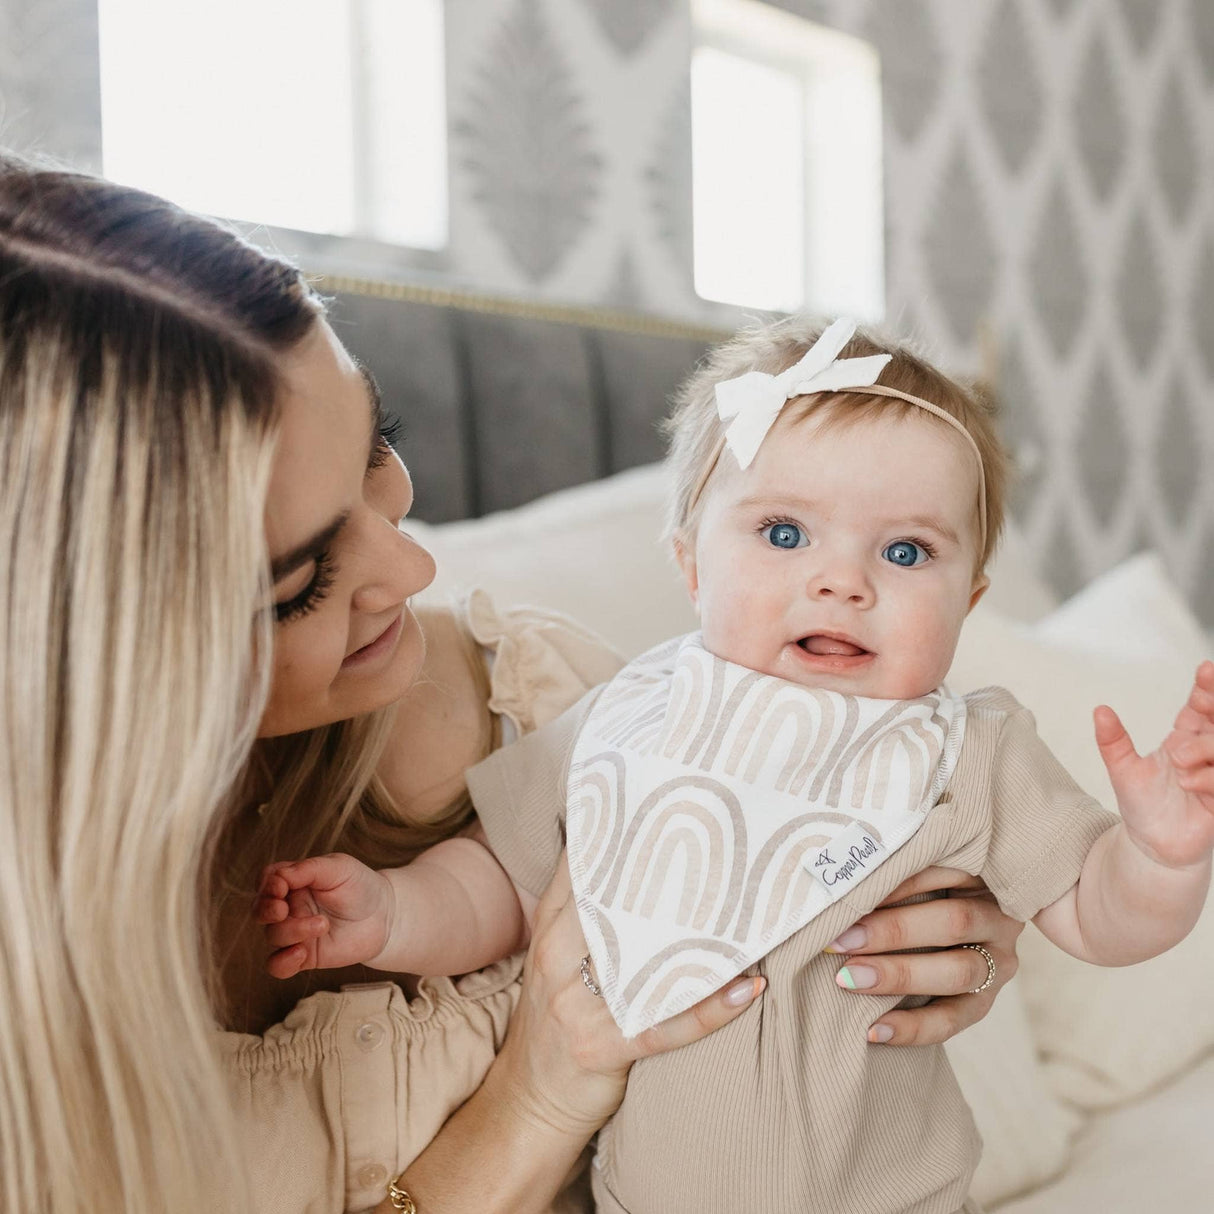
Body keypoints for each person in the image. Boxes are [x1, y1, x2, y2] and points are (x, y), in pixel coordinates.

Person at [0, 153, 1028, 1214]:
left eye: (375, 449)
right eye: (302, 582)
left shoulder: (532, 695)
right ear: (93, 661)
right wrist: (533, 1097)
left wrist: (946, 947)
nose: (412, 568)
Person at [257, 317, 1213, 1214]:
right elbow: (501, 882)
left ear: (971, 600)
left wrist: (1160, 860)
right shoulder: (630, 717)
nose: (844, 580)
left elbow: (1097, 914)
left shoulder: (969, 749)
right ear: (690, 565)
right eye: (786, 534)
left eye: (907, 550)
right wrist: (391, 914)